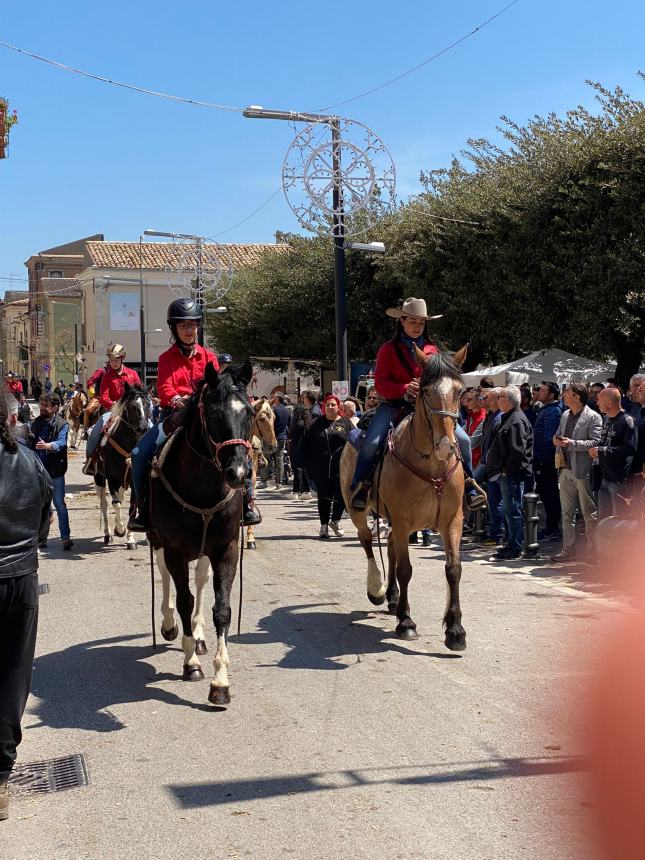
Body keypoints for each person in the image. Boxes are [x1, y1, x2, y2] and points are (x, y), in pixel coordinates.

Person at [349, 297, 486, 512]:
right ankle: (361, 486)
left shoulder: (434, 352)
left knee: (464, 440)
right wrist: (404, 388)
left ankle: (469, 486)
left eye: (421, 323)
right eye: (412, 321)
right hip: (393, 406)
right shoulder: (388, 350)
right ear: (401, 321)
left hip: (429, 409)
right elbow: (381, 384)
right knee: (372, 443)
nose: (417, 326)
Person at [128, 299, 249, 530]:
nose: (189, 330)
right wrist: (177, 399)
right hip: (173, 416)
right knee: (138, 454)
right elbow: (164, 388)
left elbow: (216, 387)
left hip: (204, 415)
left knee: (238, 448)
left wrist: (200, 399)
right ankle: (141, 507)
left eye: (192, 325)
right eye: (183, 325)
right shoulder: (165, 358)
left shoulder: (209, 357)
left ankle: (246, 503)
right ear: (174, 328)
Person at [0, 391, 52, 822]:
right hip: (21, 575)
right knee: (15, 674)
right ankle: (1, 774)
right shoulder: (29, 459)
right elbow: (44, 513)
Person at [551, 382, 602, 562]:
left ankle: (593, 550)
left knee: (589, 512)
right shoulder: (565, 414)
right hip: (565, 469)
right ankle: (568, 549)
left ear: (577, 396)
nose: (563, 395)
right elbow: (558, 433)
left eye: (567, 392)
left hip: (582, 470)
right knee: (566, 512)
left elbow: (596, 442)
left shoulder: (593, 417)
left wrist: (572, 443)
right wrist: (556, 440)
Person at [486, 385, 533, 560]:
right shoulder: (510, 418)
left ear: (508, 401)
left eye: (501, 397)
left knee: (513, 510)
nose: (498, 400)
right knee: (509, 510)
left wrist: (506, 471)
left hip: (511, 475)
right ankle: (511, 543)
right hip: (505, 474)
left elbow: (517, 451)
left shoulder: (516, 420)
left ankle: (515, 547)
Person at [82, 344, 141, 475]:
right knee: (95, 431)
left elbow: (139, 392)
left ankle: (152, 458)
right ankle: (91, 459)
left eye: (116, 360)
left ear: (123, 358)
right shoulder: (107, 376)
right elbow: (104, 397)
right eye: (111, 360)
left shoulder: (133, 374)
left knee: (149, 426)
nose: (113, 363)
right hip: (112, 411)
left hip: (132, 411)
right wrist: (114, 405)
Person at [299, 395, 353, 538]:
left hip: (341, 468)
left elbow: (355, 441)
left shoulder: (346, 423)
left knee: (341, 496)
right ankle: (324, 525)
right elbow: (304, 444)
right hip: (321, 468)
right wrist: (301, 462)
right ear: (324, 407)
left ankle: (335, 520)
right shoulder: (315, 424)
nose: (330, 407)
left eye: (333, 405)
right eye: (328, 405)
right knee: (323, 497)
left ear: (338, 407)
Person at [29, 395, 73, 551]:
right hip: (39, 471)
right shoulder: (36, 423)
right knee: (41, 505)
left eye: (46, 405)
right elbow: (30, 441)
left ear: (55, 407)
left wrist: (48, 445)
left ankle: (66, 537)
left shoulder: (63, 424)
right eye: (41, 404)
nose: (42, 407)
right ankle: (42, 538)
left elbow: (62, 443)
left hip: (55, 471)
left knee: (59, 503)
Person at [590, 387, 637, 519]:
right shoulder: (606, 419)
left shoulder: (627, 421)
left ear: (609, 403)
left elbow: (630, 448)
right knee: (603, 519)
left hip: (618, 479)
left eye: (599, 400)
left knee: (619, 520)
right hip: (602, 476)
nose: (597, 402)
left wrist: (602, 450)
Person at [533, 381, 563, 540]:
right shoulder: (545, 410)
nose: (539, 392)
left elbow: (548, 439)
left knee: (549, 493)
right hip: (541, 458)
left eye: (543, 391)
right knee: (546, 494)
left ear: (551, 395)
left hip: (546, 461)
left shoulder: (552, 412)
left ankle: (553, 527)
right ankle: (551, 526)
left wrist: (542, 460)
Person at [289, 391, 315, 499]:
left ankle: (301, 490)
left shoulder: (303, 418)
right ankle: (303, 490)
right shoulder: (301, 417)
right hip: (297, 444)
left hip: (300, 445)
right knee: (298, 467)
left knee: (299, 467)